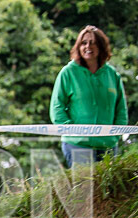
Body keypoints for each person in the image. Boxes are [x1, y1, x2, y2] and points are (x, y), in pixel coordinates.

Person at [50, 25, 129, 167]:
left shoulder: (112, 75)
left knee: (107, 189)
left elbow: (121, 110)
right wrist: (72, 131)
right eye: (84, 43)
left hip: (107, 146)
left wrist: (115, 135)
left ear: (101, 47)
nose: (88, 47)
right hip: (78, 145)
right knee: (85, 188)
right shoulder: (68, 72)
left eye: (93, 43)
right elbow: (57, 107)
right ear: (78, 46)